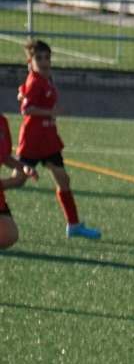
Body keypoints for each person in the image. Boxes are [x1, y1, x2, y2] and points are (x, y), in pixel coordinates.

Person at [16, 40, 99, 240]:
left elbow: (24, 93)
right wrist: (51, 112)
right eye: (39, 58)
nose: (44, 61)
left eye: (47, 57)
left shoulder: (44, 78)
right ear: (30, 62)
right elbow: (26, 109)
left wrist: (22, 93)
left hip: (49, 140)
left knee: (63, 179)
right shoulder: (36, 81)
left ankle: (74, 225)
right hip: (34, 140)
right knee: (17, 180)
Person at [0, 112, 26, 251]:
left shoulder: (2, 121)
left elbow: (4, 156)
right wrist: (8, 183)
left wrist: (22, 167)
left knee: (9, 235)